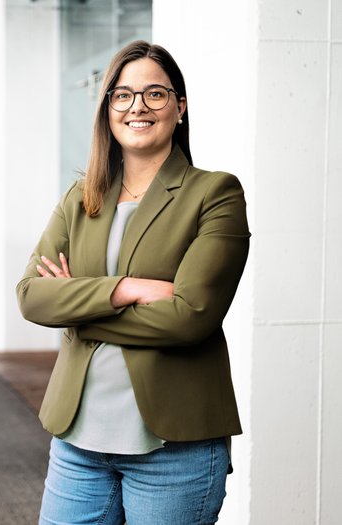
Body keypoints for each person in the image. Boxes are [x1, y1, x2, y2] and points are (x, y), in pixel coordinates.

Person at [16, 41, 250, 524]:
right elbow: (32, 297)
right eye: (121, 95)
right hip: (78, 440)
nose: (137, 107)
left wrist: (78, 312)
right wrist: (125, 290)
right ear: (107, 109)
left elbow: (190, 319)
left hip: (173, 447)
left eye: (155, 94)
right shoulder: (80, 198)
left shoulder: (215, 192)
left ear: (180, 107)